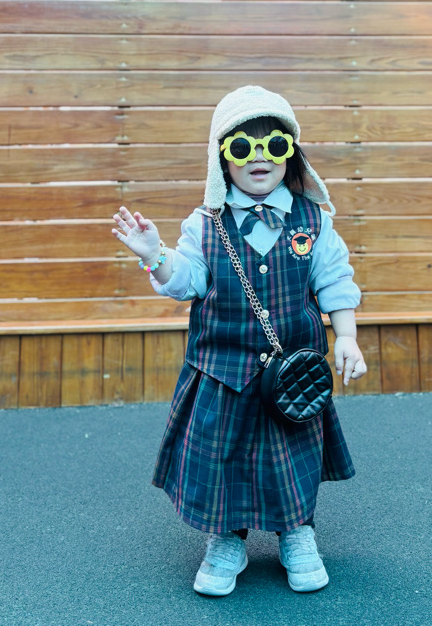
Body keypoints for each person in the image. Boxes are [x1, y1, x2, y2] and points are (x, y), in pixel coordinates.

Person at [111, 85, 367, 597]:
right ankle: (226, 540)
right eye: (242, 146)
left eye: (275, 144)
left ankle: (297, 533)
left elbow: (335, 279)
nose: (258, 157)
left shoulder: (313, 220)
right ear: (221, 158)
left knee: (294, 457)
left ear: (291, 153)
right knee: (222, 461)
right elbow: (186, 281)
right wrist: (154, 255)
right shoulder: (204, 225)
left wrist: (347, 337)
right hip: (222, 373)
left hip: (291, 377)